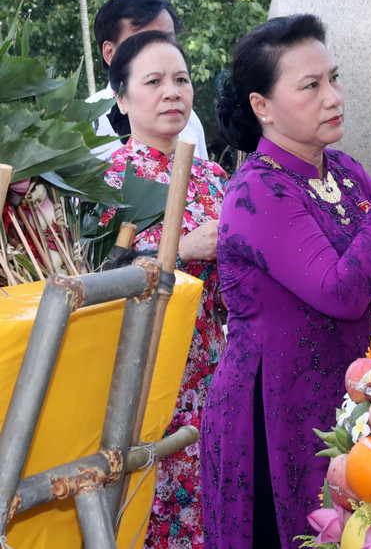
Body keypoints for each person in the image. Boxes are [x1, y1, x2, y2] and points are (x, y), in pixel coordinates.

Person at [201, 14, 371, 547]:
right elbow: (340, 293)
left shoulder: (342, 169)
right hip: (273, 410)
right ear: (261, 107)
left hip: (345, 399)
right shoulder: (257, 192)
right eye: (311, 86)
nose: (333, 96)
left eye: (333, 79)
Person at [101, 30, 227, 548]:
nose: (172, 91)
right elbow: (96, 282)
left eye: (181, 79)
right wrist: (182, 250)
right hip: (145, 381)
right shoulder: (104, 182)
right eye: (153, 81)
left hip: (214, 377)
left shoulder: (216, 177)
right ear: (123, 98)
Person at [89, 0, 208, 160]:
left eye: (168, 38)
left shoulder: (190, 121)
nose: (160, 48)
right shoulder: (82, 126)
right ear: (109, 53)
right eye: (144, 41)